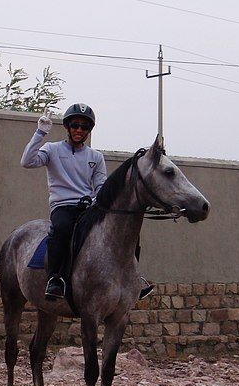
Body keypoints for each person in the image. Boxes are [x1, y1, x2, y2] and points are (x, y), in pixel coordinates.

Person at [20, 103, 154, 302]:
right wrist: (40, 133)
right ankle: (55, 278)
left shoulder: (95, 157)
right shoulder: (52, 149)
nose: (79, 130)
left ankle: (131, 280)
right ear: (67, 126)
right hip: (63, 206)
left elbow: (100, 186)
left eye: (84, 127)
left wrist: (96, 201)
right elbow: (27, 161)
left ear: (89, 131)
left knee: (126, 232)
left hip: (89, 207)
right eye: (75, 125)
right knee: (62, 229)